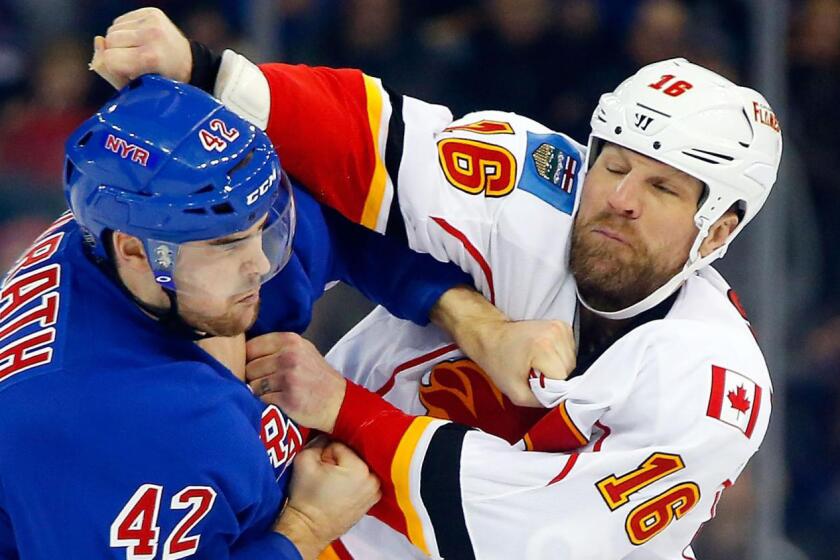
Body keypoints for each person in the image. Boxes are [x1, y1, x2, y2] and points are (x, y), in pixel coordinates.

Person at [96, 8, 782, 559]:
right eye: (613, 165)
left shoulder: (715, 385)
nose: (620, 198)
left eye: (661, 187)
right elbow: (374, 141)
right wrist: (206, 71)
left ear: (716, 232)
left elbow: (536, 537)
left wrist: (342, 406)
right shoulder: (539, 182)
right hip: (321, 500)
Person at [0, 72, 570, 559]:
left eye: (261, 230)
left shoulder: (167, 241)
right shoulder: (121, 429)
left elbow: (349, 227)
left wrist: (481, 327)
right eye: (228, 245)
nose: (259, 265)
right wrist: (304, 530)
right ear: (132, 251)